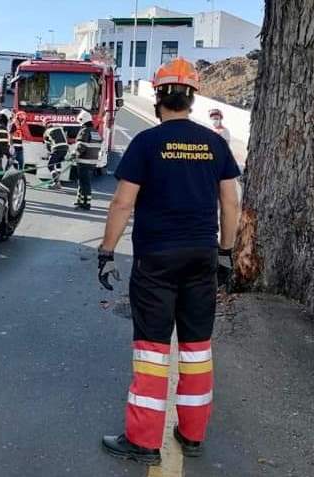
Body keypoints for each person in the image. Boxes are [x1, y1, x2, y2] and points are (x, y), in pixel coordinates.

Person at [97, 58, 241, 465]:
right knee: (196, 349)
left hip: (156, 260)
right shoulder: (214, 143)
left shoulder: (145, 143)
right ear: (192, 98)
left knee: (153, 350)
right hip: (201, 257)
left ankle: (143, 441)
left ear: (158, 98)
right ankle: (192, 434)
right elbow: (230, 202)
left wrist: (107, 251)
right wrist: (226, 253)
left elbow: (123, 203)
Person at [71, 109, 102, 210]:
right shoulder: (95, 132)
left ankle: (85, 204)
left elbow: (81, 146)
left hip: (84, 161)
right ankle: (80, 201)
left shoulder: (84, 131)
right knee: (84, 182)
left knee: (84, 183)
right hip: (93, 162)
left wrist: (74, 154)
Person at [43, 119, 70, 190]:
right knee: (58, 163)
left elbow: (48, 146)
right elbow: (66, 138)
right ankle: (58, 181)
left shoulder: (46, 132)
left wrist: (49, 154)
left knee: (50, 165)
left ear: (45, 125)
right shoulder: (60, 128)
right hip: (65, 148)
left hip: (57, 148)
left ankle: (56, 183)